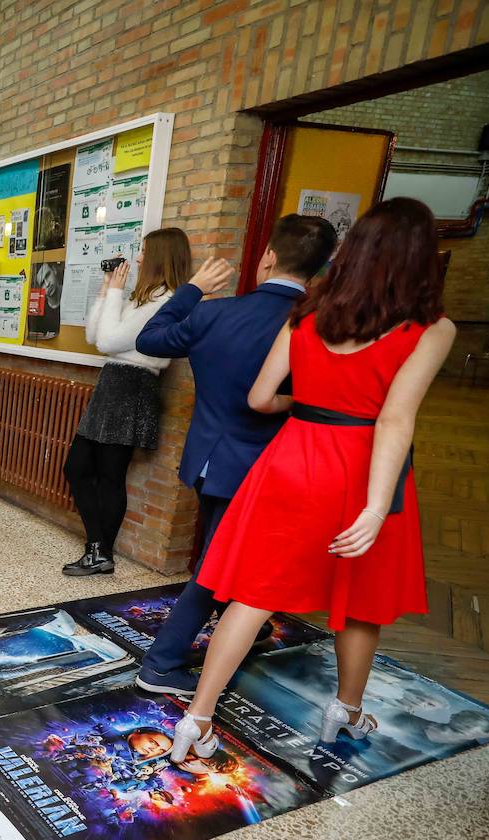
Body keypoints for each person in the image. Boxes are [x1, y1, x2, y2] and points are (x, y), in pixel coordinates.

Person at [168, 198, 454, 763]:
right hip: (364, 467)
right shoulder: (430, 330)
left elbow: (260, 397)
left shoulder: (307, 316)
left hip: (291, 458)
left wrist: (316, 402)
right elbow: (396, 419)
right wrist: (375, 508)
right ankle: (343, 711)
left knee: (252, 593)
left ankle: (196, 719)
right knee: (359, 600)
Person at [131, 214, 337, 697]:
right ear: (323, 268)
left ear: (268, 256)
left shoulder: (213, 312)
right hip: (264, 469)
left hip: (206, 459)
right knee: (215, 566)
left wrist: (193, 290)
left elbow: (149, 338)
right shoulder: (317, 327)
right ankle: (161, 664)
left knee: (221, 555)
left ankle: (243, 624)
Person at [61, 229, 191, 575]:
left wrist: (116, 292)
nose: (137, 258)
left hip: (132, 386)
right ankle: (99, 548)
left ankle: (99, 551)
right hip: (113, 383)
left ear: (161, 256)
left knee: (110, 476)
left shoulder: (167, 300)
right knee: (77, 467)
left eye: (144, 252)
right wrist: (107, 292)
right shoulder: (142, 297)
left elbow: (107, 341)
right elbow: (94, 336)